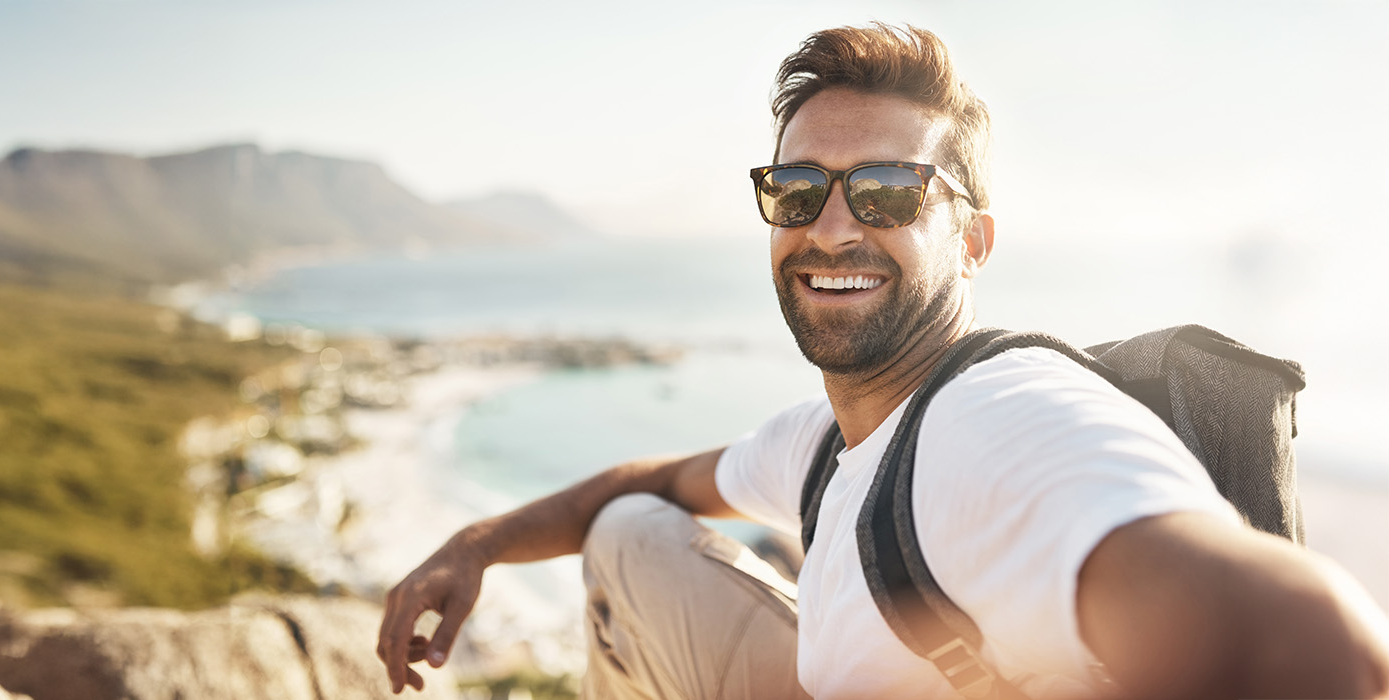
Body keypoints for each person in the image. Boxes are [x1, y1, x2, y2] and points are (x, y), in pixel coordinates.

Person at [376, 22, 1389, 699]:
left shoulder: (998, 421)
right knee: (629, 530)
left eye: (889, 193)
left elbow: (1311, 648)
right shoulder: (827, 438)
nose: (830, 228)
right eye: (796, 189)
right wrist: (473, 541)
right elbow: (649, 480)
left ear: (974, 241)